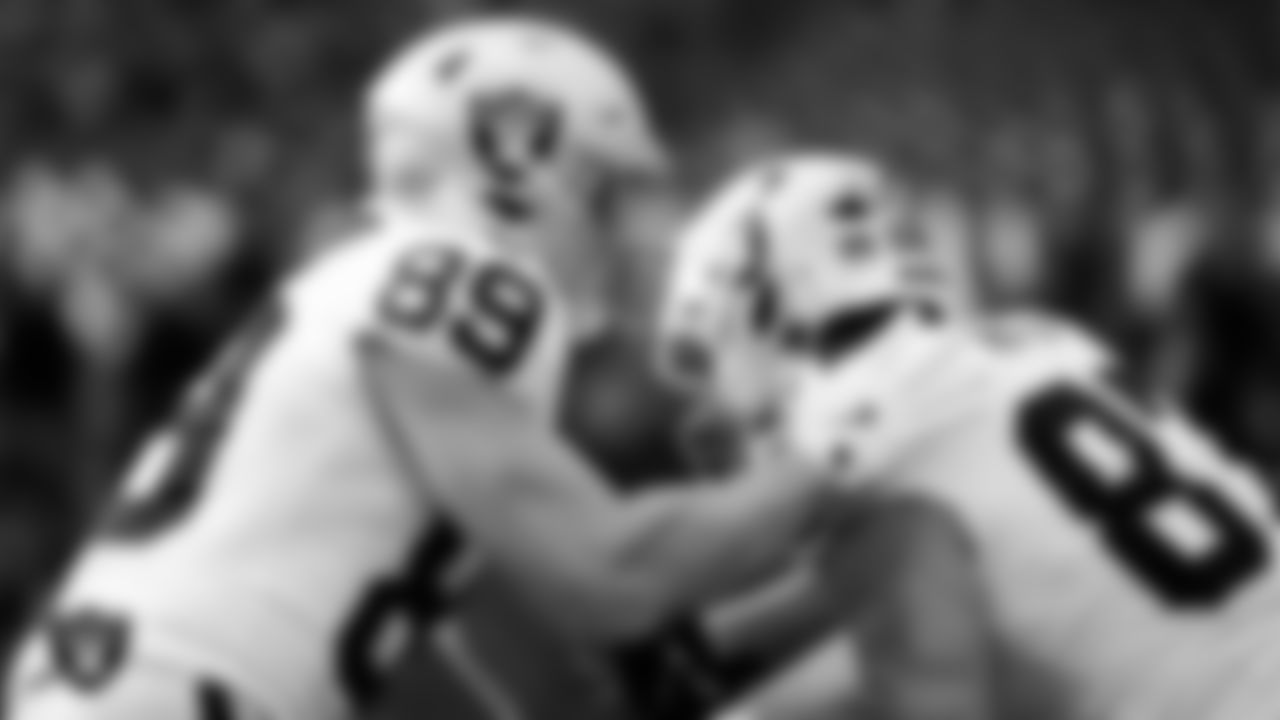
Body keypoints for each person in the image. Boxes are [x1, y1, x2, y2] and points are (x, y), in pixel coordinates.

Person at [6, 19, 839, 720]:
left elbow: (639, 670)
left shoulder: (383, 302)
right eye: (603, 190)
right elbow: (610, 574)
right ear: (518, 165)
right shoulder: (468, 277)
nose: (623, 228)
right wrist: (847, 447)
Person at [660, 153, 1280, 720]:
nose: (716, 386)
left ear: (769, 302)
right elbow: (993, 554)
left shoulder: (851, 421)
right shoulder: (1037, 340)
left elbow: (906, 637)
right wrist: (713, 644)